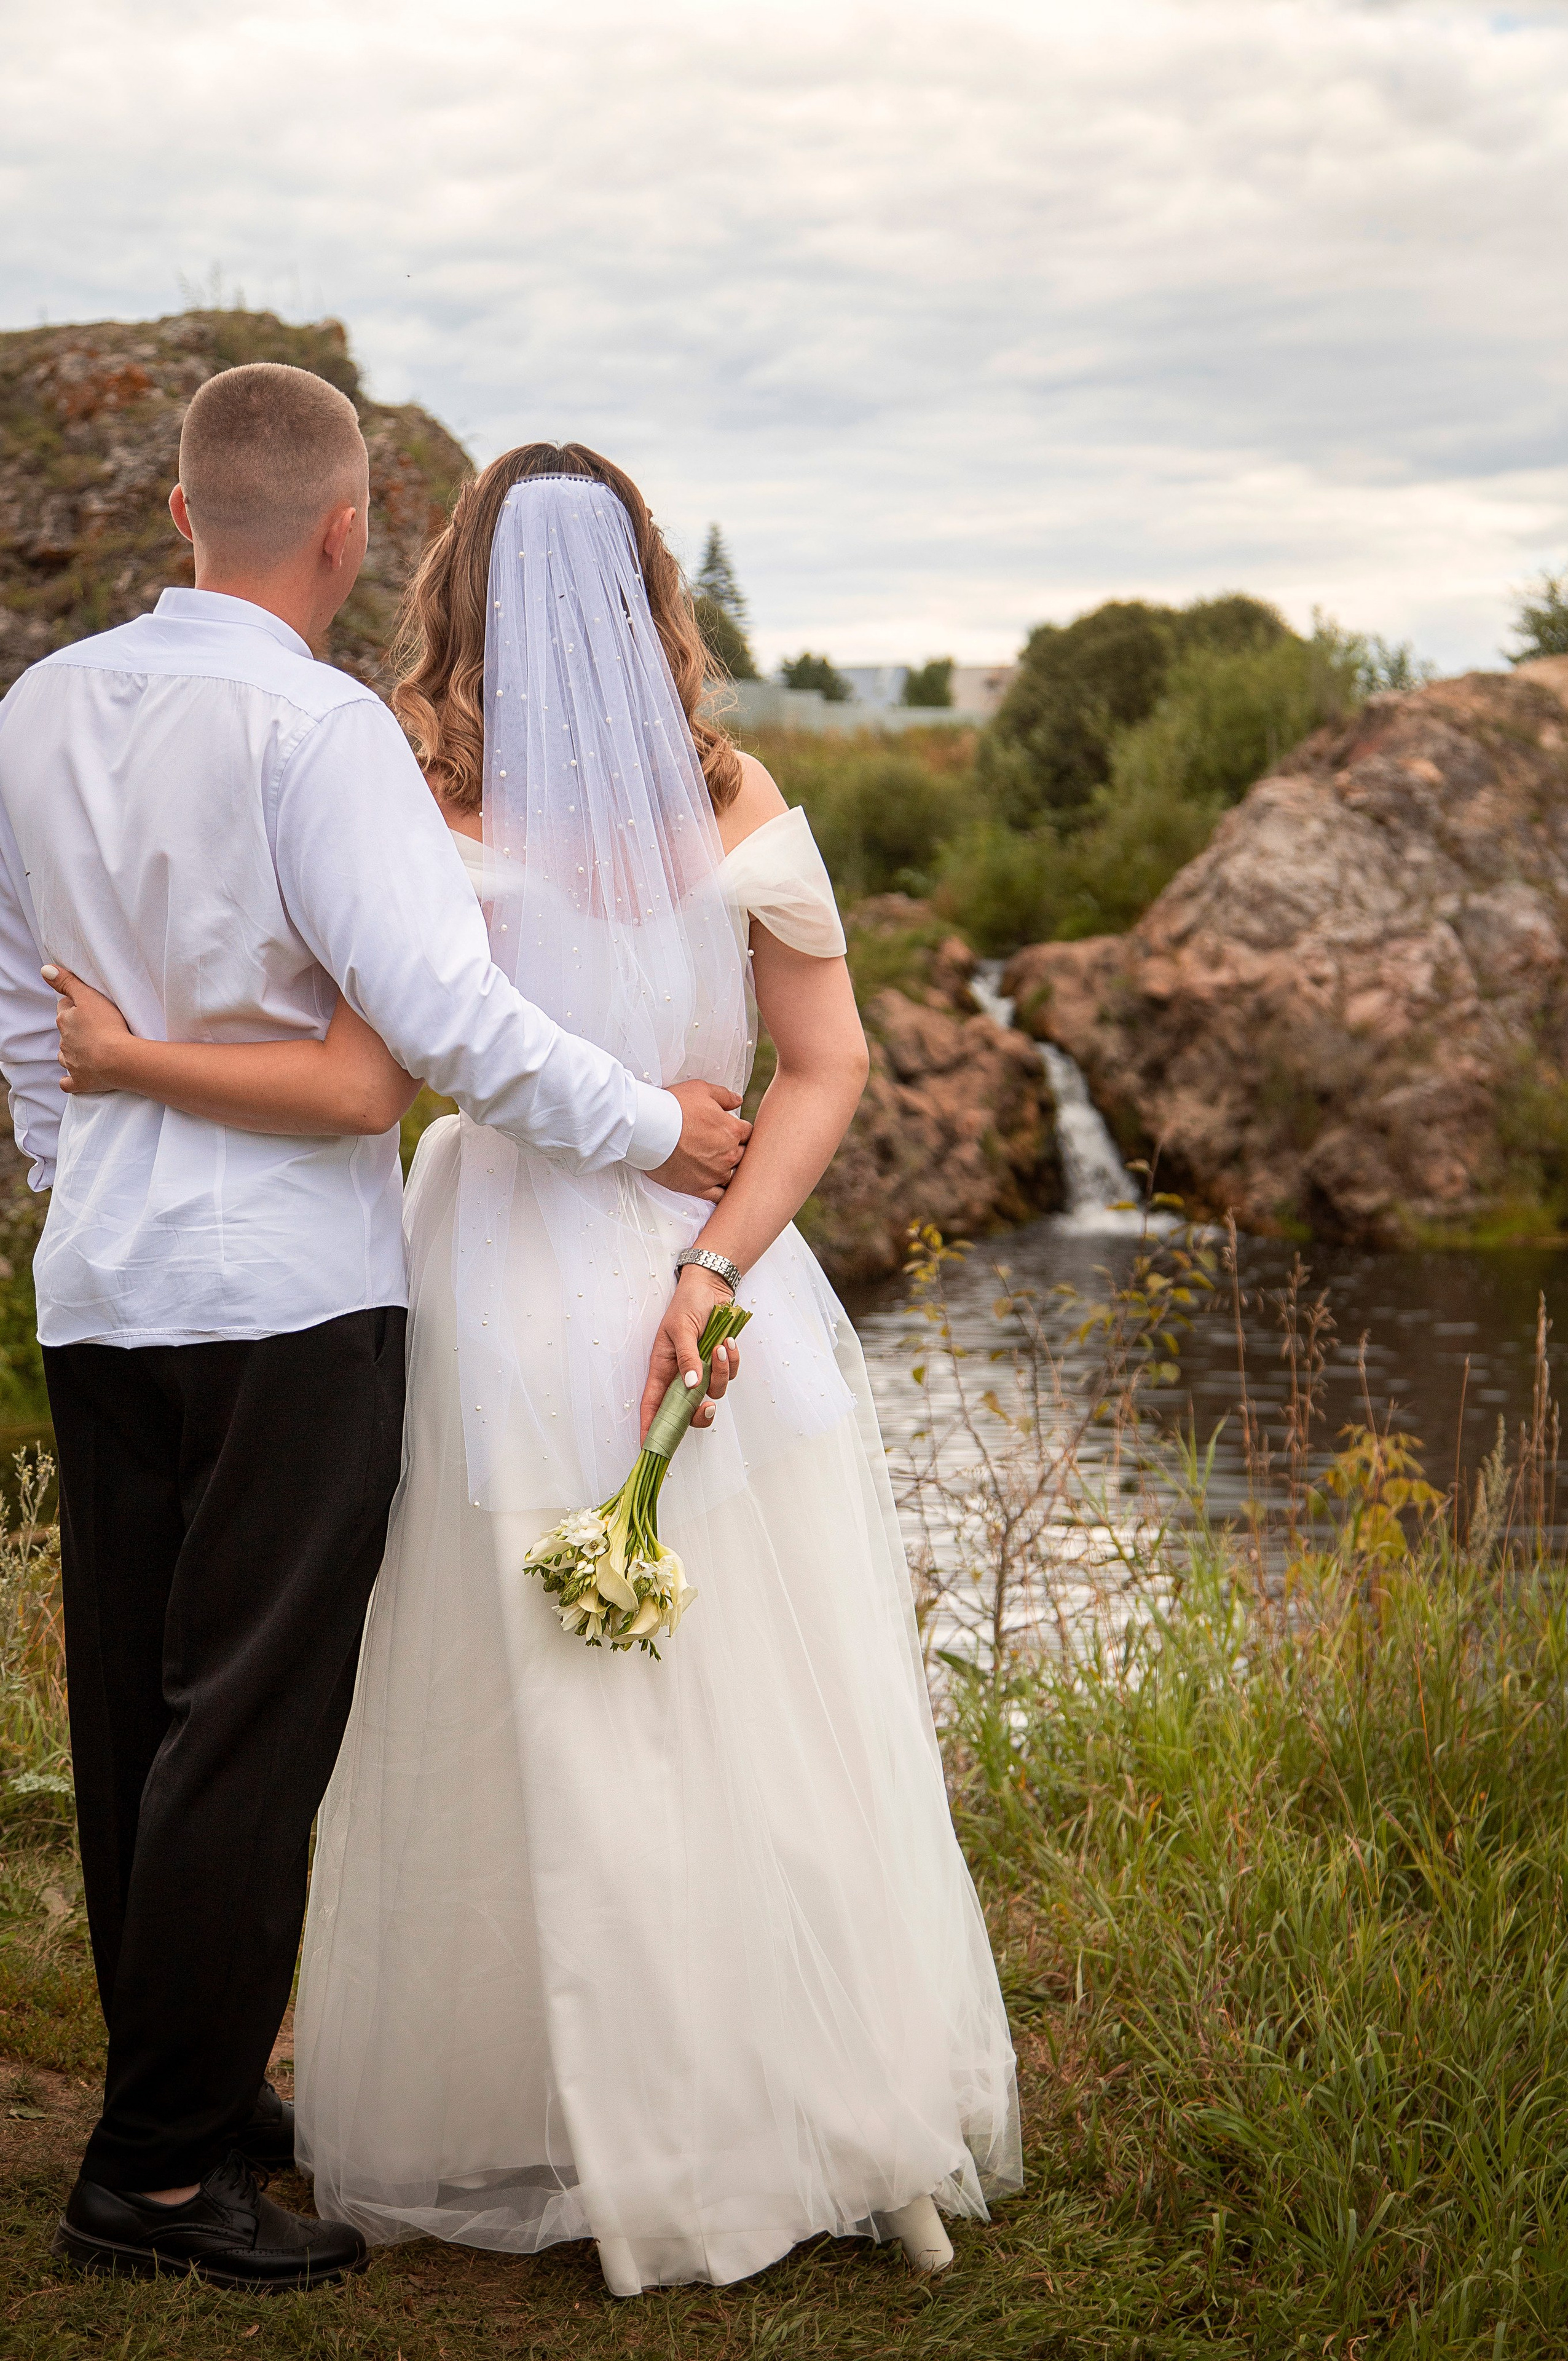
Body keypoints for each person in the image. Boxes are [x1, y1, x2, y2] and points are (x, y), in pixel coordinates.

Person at [49, 443, 1022, 2297]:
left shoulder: (419, 789)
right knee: (740, 1691)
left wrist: (119, 1061)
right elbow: (823, 1070)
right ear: (657, 583)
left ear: (455, 589)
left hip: (494, 1269)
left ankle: (547, 2098)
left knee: (514, 1696)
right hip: (710, 1285)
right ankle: (781, 2093)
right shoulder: (737, 793)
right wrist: (717, 1267)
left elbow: (381, 1075)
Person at [0, 376, 747, 2293]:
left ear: (181, 513)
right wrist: (661, 1126)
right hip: (288, 1299)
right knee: (247, 1725)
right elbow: (447, 1029)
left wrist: (82, 1176)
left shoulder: (37, 710)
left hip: (104, 1285)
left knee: (136, 1714)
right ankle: (159, 2181)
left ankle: (197, 2093)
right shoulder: (319, 730)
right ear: (339, 535)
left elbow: (25, 1019)